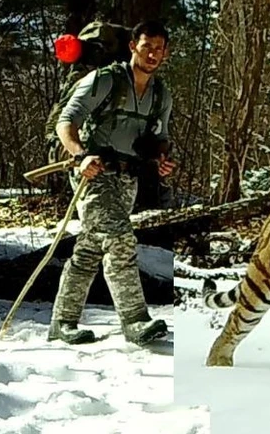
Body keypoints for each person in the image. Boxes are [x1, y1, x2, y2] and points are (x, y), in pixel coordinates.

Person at [48, 19, 177, 346]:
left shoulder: (161, 94)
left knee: (89, 250)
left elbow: (159, 138)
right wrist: (80, 156)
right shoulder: (105, 80)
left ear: (165, 54)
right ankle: (135, 319)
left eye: (158, 49)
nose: (152, 54)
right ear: (133, 46)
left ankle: (63, 321)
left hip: (127, 178)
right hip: (94, 175)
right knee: (120, 239)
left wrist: (161, 160)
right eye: (147, 47)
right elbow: (66, 122)